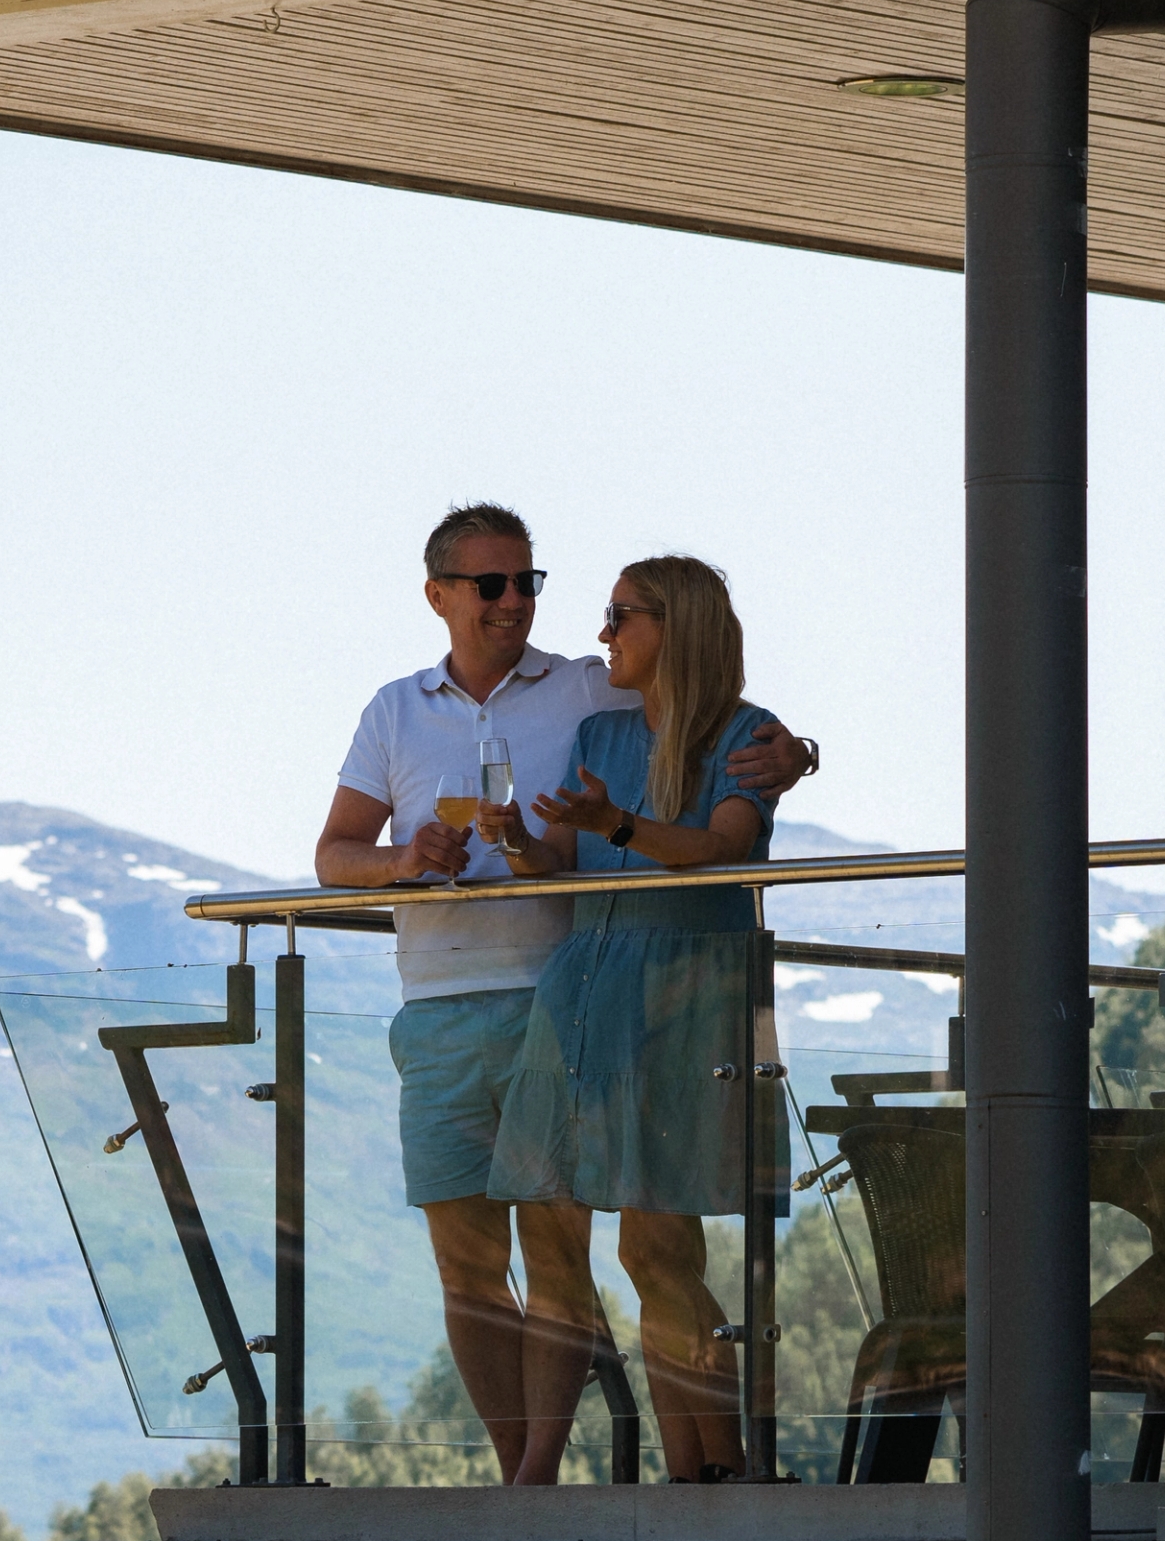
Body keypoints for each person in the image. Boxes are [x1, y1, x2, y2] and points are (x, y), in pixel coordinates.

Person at [322, 508, 811, 1484]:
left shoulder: (603, 695)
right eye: (493, 584)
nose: (520, 602)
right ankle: (571, 1477)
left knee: (629, 1252)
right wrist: (445, 853)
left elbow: (720, 791)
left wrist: (799, 752)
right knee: (523, 1260)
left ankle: (660, 1471)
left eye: (529, 582)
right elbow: (342, 855)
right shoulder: (425, 712)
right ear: (440, 595)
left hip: (619, 1004)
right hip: (516, 1002)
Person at [488, 552, 775, 1483]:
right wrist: (519, 841)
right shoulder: (601, 734)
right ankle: (695, 1470)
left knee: (657, 1247)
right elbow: (558, 862)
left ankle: (718, 1463)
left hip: (688, 998)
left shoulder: (749, 734)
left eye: (621, 616)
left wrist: (615, 826)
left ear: (675, 626)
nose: (603, 633)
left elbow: (720, 848)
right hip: (587, 993)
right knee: (586, 1236)